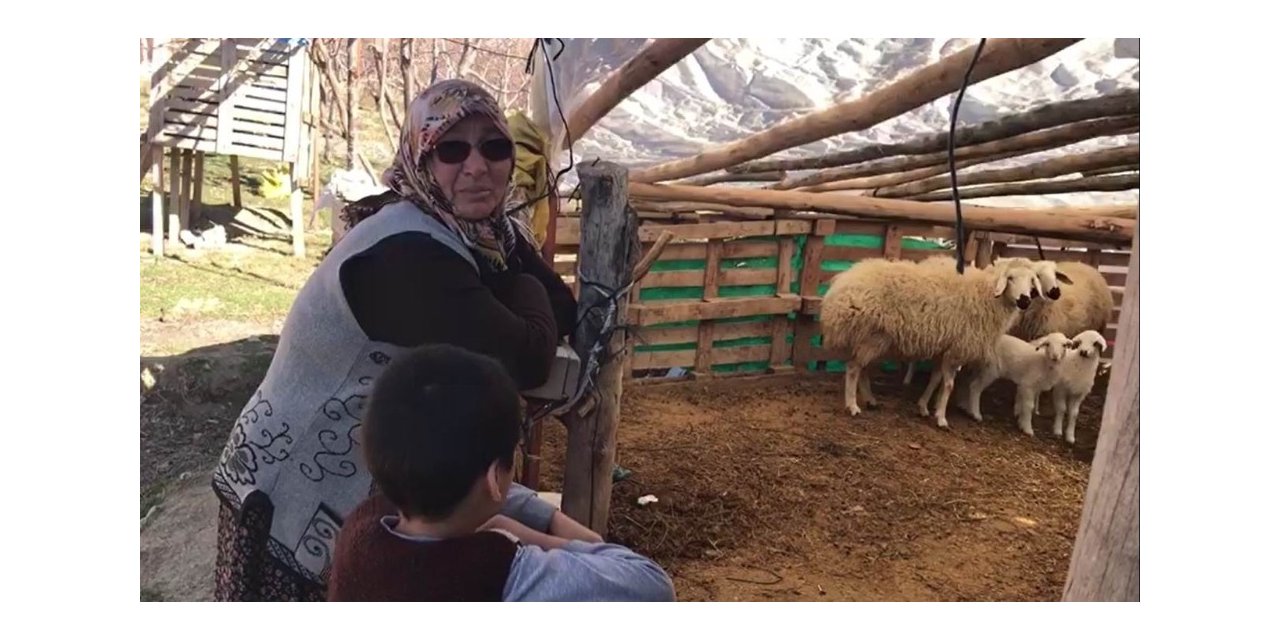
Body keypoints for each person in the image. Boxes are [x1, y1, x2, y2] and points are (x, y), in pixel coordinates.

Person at [210, 79, 577, 601]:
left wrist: (516, 282)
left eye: (494, 147)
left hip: (364, 469)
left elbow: (561, 309)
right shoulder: (407, 253)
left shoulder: (483, 230)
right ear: (422, 161)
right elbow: (528, 358)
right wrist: (518, 285)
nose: (477, 166)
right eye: (452, 149)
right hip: (290, 482)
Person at [327, 344, 675, 601]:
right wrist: (532, 534)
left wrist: (534, 513)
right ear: (495, 478)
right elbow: (652, 586)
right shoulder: (506, 572)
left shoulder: (360, 532)